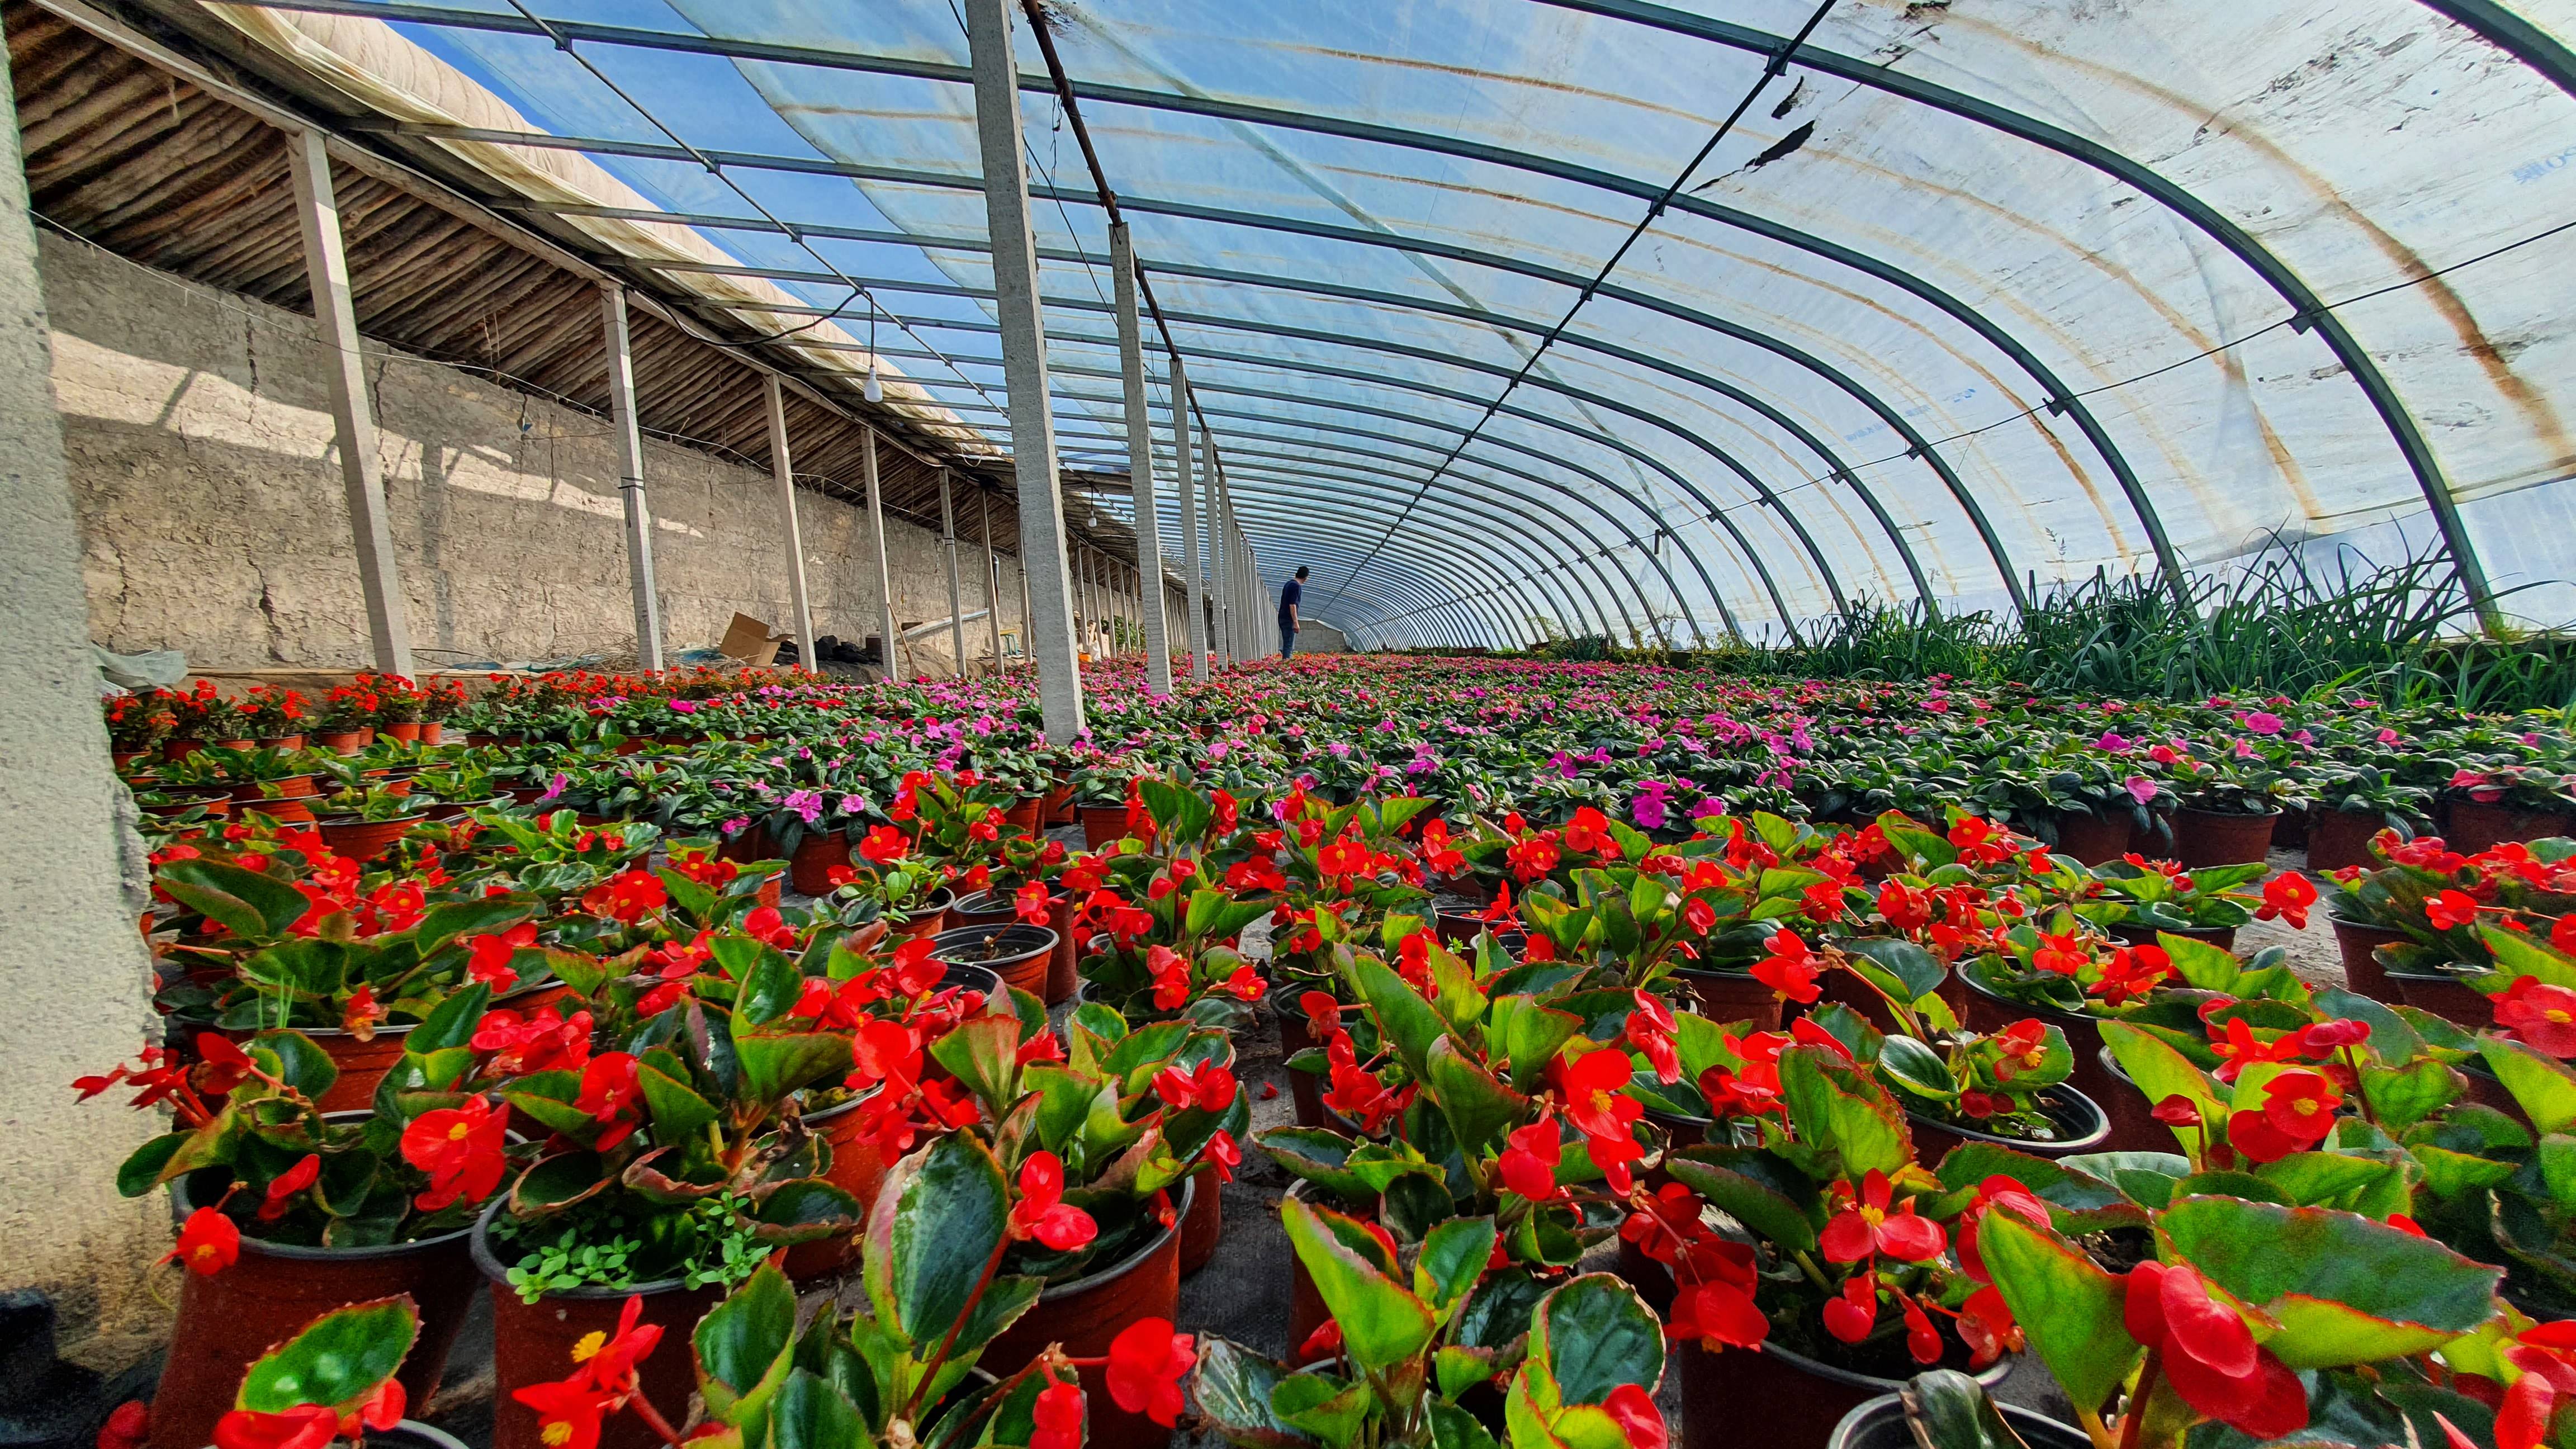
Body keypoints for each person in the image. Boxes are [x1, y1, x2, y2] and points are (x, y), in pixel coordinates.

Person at [1277, 566, 1306, 658]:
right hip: (1288, 619)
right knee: (1289, 646)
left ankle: (1285, 664)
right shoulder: (1296, 586)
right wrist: (1295, 622)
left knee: (1287, 644)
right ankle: (1286, 667)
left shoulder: (1288, 584)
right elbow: (1292, 605)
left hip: (1282, 617)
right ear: (1306, 578)